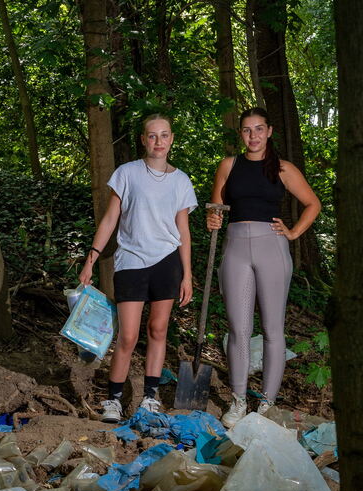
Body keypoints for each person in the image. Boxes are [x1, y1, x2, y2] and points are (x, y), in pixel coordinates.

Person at [79, 113, 198, 423]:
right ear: (144, 140)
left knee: (158, 330)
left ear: (172, 139)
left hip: (168, 262)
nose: (158, 141)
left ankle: (149, 397)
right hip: (131, 262)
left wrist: (187, 274)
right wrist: (91, 258)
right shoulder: (127, 173)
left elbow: (183, 231)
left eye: (164, 135)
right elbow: (109, 219)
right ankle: (114, 400)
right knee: (128, 336)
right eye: (152, 136)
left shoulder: (181, 181)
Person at [206, 107, 321, 425]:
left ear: (269, 131)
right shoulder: (229, 166)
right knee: (239, 329)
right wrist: (212, 217)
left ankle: (267, 403)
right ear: (241, 134)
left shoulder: (283, 168)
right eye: (247, 130)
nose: (253, 135)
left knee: (272, 329)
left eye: (259, 129)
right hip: (236, 249)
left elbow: (313, 204)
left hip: (272, 248)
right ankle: (239, 401)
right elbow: (216, 206)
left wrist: (294, 231)